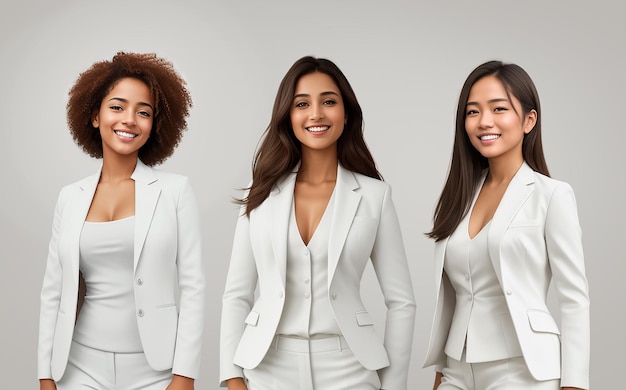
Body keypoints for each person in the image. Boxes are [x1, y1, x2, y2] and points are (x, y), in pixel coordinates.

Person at [219, 56, 416, 390]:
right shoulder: (261, 194)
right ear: (288, 115)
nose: (316, 114)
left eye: (328, 101)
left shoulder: (374, 196)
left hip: (349, 367)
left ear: (346, 112)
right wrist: (232, 377)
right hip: (267, 367)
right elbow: (237, 295)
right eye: (302, 103)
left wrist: (393, 385)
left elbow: (402, 302)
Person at [37, 52, 205, 390]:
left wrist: (185, 375)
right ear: (95, 116)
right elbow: (53, 292)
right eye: (117, 107)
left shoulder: (175, 191)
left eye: (143, 112)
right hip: (78, 365)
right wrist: (45, 374)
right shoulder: (70, 197)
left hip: (155, 369)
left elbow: (194, 288)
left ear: (154, 125)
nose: (129, 119)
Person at [423, 60, 590, 389]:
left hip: (522, 368)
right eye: (472, 112)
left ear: (529, 120)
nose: (484, 122)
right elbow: (456, 296)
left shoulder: (551, 196)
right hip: (458, 366)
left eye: (499, 109)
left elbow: (574, 298)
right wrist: (441, 372)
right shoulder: (458, 198)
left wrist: (574, 384)